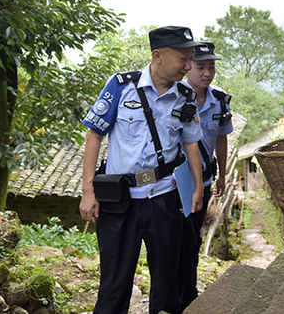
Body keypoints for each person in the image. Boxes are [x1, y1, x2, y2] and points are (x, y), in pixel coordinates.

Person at [79, 25, 205, 314]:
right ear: (158, 55)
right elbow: (94, 136)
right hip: (120, 201)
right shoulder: (121, 86)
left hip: (164, 198)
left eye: (190, 59)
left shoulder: (185, 95)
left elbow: (191, 144)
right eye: (182, 59)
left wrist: (197, 187)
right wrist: (88, 191)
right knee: (114, 285)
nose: (188, 67)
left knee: (166, 283)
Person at [178, 41, 233, 310]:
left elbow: (221, 139)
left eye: (211, 67)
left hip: (206, 181)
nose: (207, 73)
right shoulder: (174, 97)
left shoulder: (220, 100)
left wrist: (222, 175)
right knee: (181, 238)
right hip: (176, 183)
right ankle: (180, 295)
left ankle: (189, 292)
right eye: (201, 67)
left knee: (194, 238)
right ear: (188, 67)